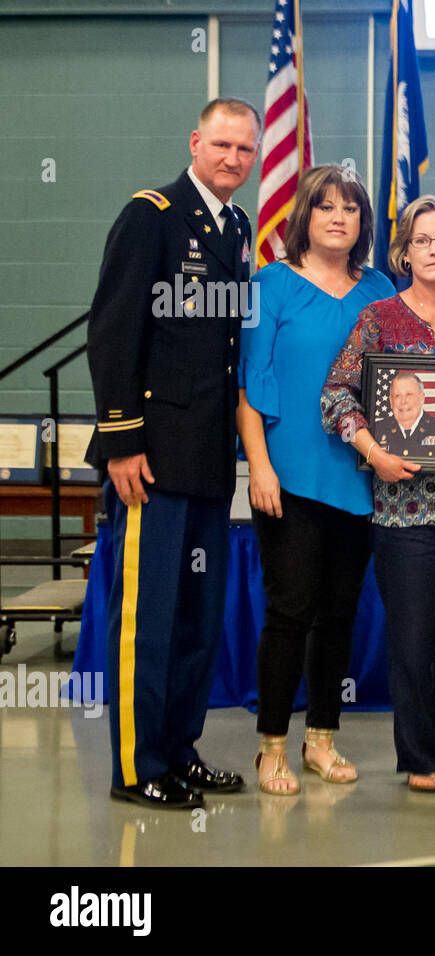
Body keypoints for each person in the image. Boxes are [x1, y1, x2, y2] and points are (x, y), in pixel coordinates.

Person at [86, 97, 261, 808]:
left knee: (197, 616)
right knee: (147, 617)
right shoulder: (150, 215)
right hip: (151, 460)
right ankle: (136, 766)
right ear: (196, 142)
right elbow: (114, 331)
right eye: (222, 145)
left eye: (245, 151)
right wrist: (122, 441)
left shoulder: (239, 226)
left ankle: (178, 750)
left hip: (208, 458)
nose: (233, 160)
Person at [322, 195, 435, 793]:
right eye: (422, 240)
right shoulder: (379, 317)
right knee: (412, 637)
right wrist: (373, 451)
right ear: (404, 251)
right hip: (402, 509)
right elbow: (336, 397)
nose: (433, 249)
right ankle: (421, 758)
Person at [238, 163, 396, 795]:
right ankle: (271, 747)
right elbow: (252, 387)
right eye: (326, 206)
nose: (339, 216)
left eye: (351, 208)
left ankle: (321, 741)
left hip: (359, 481)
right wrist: (260, 468)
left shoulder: (380, 287)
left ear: (361, 222)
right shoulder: (269, 285)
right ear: (305, 215)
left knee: (339, 615)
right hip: (289, 478)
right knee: (289, 612)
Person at [374, 372, 435, 458]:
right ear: (391, 401)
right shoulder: (376, 430)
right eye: (397, 396)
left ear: (421, 398)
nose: (403, 401)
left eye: (409, 395)